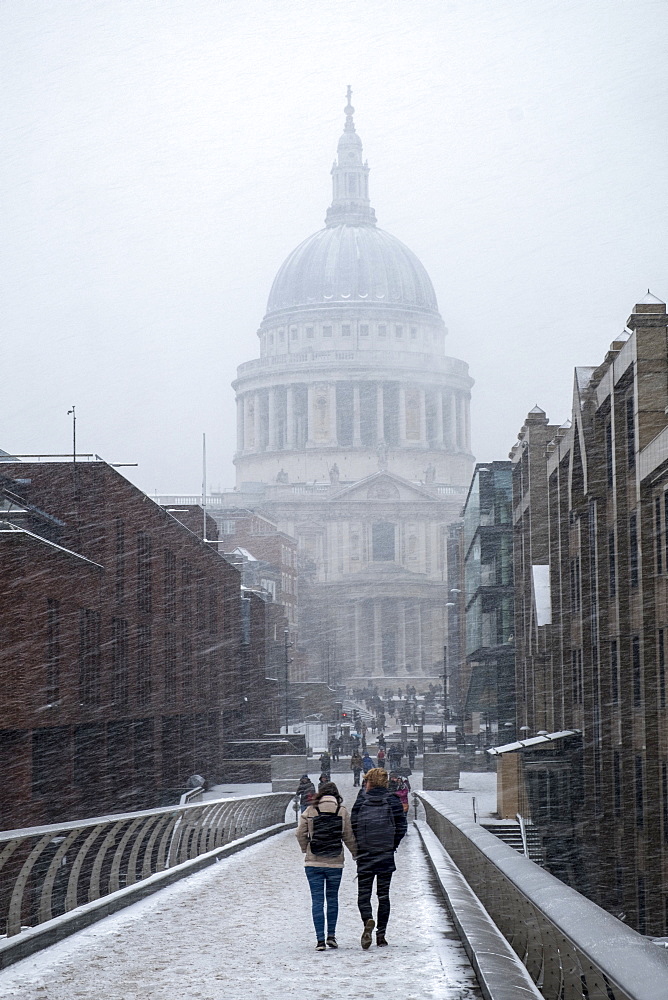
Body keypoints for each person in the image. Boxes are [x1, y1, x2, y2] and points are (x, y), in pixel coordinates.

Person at [296, 781, 357, 951]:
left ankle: (320, 940)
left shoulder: (311, 810)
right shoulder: (341, 811)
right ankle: (332, 935)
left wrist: (306, 848)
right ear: (336, 796)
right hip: (335, 862)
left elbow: (299, 833)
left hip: (313, 862)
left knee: (317, 900)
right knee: (332, 899)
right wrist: (356, 854)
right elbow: (348, 836)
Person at [351, 767, 407, 948]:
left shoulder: (361, 801)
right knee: (383, 895)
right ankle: (381, 934)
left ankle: (367, 920)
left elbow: (353, 825)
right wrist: (392, 845)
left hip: (366, 855)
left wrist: (361, 846)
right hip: (385, 855)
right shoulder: (393, 800)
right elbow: (401, 827)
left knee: (363, 895)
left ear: (369, 782)